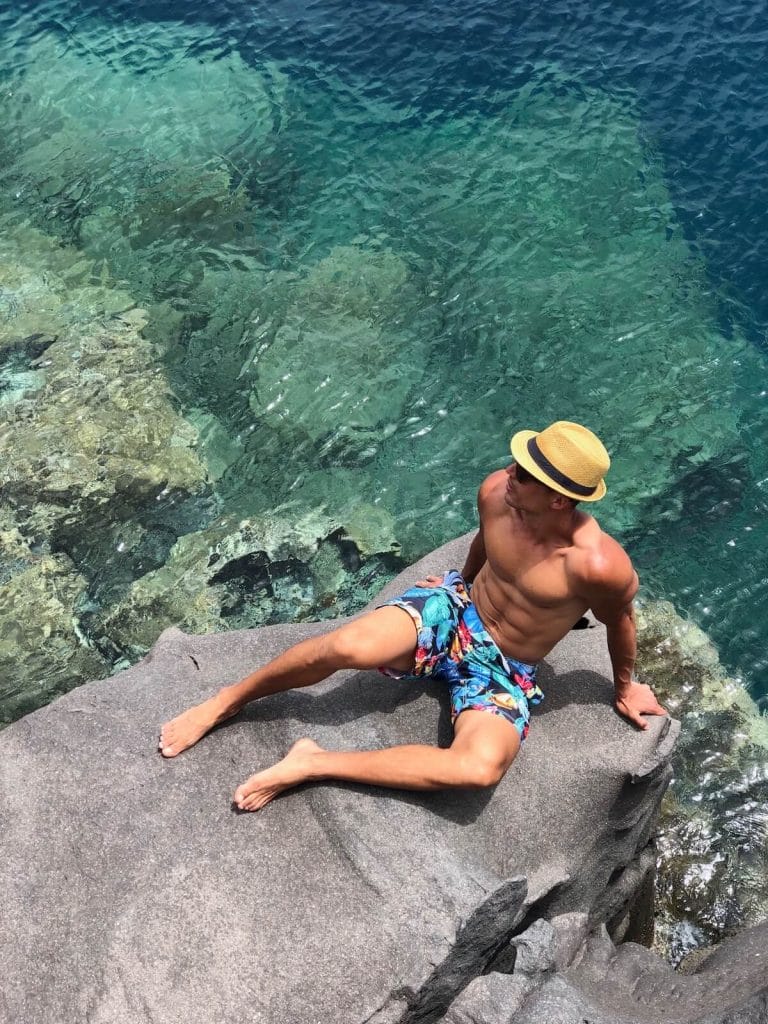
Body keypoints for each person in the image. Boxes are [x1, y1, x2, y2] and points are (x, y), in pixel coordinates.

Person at [159, 420, 666, 811]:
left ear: (559, 499)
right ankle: (227, 701)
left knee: (478, 769)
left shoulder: (598, 565)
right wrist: (460, 586)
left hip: (503, 667)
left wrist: (624, 688)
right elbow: (484, 544)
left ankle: (312, 763)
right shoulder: (497, 493)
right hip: (456, 610)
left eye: (524, 474)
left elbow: (621, 619)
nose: (508, 473)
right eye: (516, 463)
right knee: (344, 647)